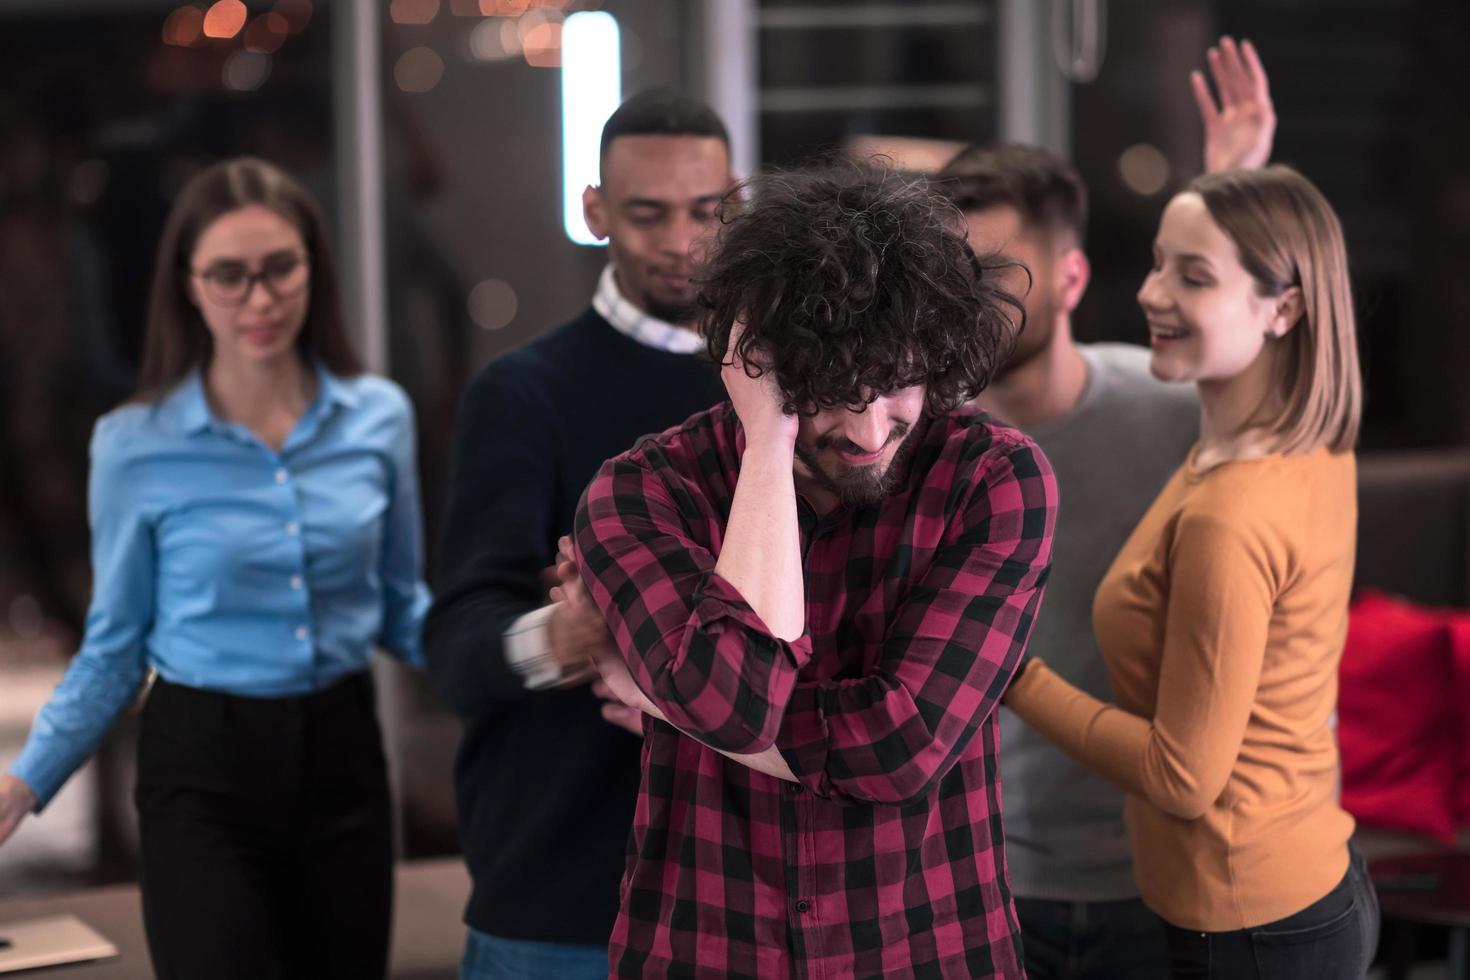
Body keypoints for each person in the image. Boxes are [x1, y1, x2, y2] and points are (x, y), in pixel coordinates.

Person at [562, 162, 1056, 978]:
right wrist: (768, 446)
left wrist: (664, 698)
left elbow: (899, 749)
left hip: (929, 950)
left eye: (898, 381)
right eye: (828, 391)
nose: (868, 429)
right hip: (708, 953)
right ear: (758, 365)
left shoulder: (995, 479)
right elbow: (737, 704)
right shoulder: (642, 492)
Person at [0, 157, 430, 979]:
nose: (260, 300)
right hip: (203, 771)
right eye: (229, 276)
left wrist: (523, 653)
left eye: (280, 269)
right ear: (189, 286)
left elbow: (401, 606)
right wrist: (24, 785)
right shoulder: (135, 444)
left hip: (343, 755)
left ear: (314, 267)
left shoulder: (379, 418)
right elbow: (114, 649)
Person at [933, 36, 1273, 979]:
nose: (967, 305)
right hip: (981, 882)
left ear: (1073, 280)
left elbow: (1278, 366)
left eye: (995, 275)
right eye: (951, 278)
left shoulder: (1170, 417)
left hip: (1160, 880)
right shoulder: (916, 446)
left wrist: (1230, 190)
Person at [1004, 162, 1378, 978]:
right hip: (1309, 883)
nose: (1151, 293)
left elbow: (1181, 779)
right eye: (1159, 261)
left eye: (1193, 275)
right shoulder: (1300, 441)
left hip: (1252, 924)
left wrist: (1007, 674)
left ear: (1284, 308)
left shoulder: (1229, 513)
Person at [421, 89, 731, 979]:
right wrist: (569, 634)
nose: (680, 242)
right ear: (595, 212)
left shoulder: (789, 389)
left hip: (745, 883)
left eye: (705, 212)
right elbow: (455, 648)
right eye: (647, 214)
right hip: (562, 891)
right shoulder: (522, 394)